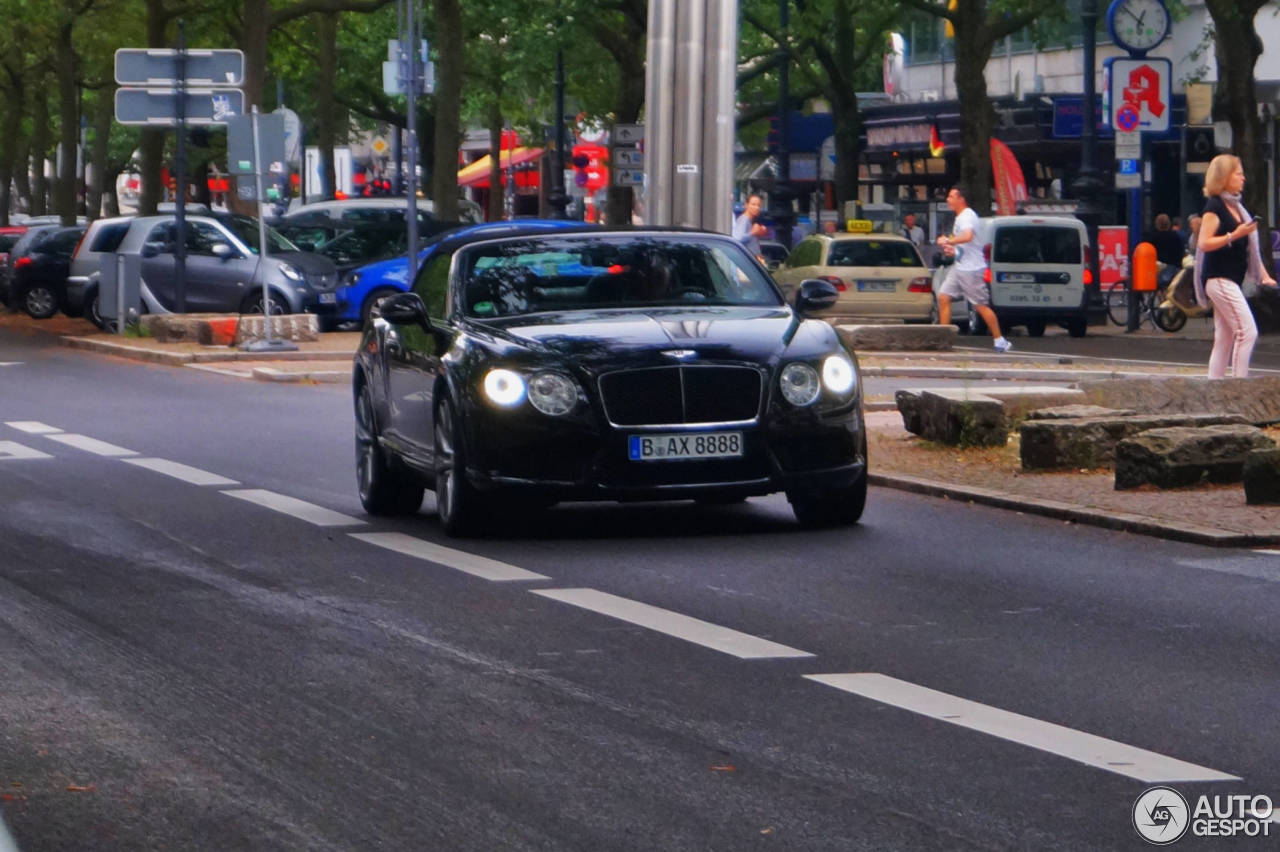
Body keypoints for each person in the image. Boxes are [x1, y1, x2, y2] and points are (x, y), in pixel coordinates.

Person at [1194, 154, 1277, 379]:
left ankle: (1216, 388)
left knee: (1225, 338)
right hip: (1219, 279)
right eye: (1238, 173)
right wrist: (1234, 234)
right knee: (1247, 332)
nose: (1243, 178)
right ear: (1224, 177)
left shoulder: (1236, 207)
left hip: (1229, 279)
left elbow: (1250, 250)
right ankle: (1239, 386)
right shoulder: (1215, 206)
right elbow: (1204, 242)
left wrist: (1264, 276)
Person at [934, 186, 1012, 353]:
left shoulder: (967, 216)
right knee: (943, 297)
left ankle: (1000, 340)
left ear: (961, 199)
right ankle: (944, 339)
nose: (948, 199)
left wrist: (949, 240)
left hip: (971, 269)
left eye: (951, 196)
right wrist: (952, 250)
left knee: (980, 306)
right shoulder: (960, 217)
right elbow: (966, 245)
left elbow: (968, 236)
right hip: (960, 266)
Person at [733, 194, 768, 263]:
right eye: (753, 204)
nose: (756, 208)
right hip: (747, 261)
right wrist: (753, 232)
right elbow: (737, 238)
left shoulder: (748, 220)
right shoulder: (744, 219)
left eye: (759, 205)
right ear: (746, 205)